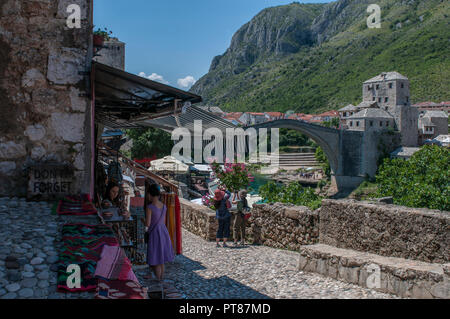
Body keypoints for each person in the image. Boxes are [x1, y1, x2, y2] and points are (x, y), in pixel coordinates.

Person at [144, 183, 175, 283]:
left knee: (156, 259)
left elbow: (148, 224)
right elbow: (162, 220)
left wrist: (142, 220)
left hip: (155, 234)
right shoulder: (164, 206)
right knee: (161, 260)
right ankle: (161, 280)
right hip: (163, 231)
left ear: (149, 194)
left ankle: (158, 281)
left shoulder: (150, 207)